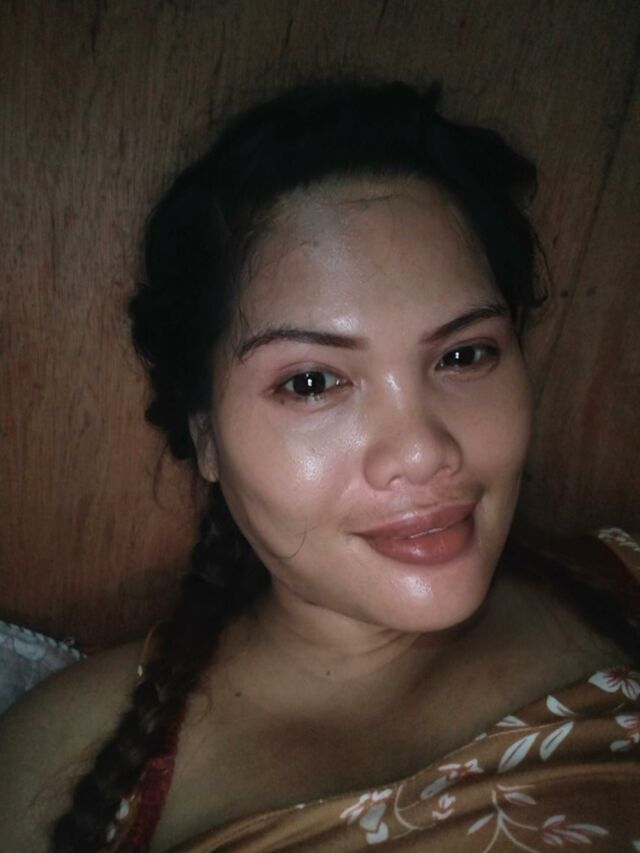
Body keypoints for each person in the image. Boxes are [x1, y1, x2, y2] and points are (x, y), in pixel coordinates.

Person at [0, 80, 639, 853]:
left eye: (465, 354)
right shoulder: (57, 763)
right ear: (206, 436)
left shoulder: (625, 574)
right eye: (310, 382)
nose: (423, 450)